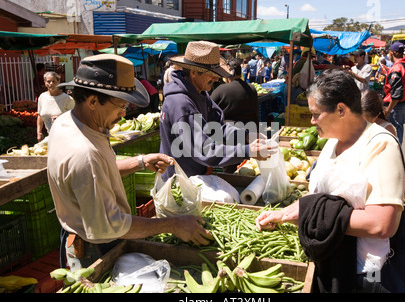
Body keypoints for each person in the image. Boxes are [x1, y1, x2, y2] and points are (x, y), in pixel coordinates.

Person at [47, 54, 213, 270]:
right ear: (93, 101)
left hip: (91, 234)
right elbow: (109, 225)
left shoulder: (69, 122)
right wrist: (172, 224)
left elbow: (96, 174)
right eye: (120, 105)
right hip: (95, 248)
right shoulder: (84, 152)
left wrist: (139, 162)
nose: (124, 113)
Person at [255, 69, 405, 293]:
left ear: (341, 110)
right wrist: (282, 214)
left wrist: (312, 214)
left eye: (316, 114)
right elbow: (315, 198)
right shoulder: (331, 144)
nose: (312, 120)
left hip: (363, 271)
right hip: (329, 261)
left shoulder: (380, 145)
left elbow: (381, 224)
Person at [159, 40, 273, 181]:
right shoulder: (181, 104)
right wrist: (246, 150)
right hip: (179, 182)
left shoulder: (200, 93)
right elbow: (204, 150)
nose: (216, 78)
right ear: (194, 72)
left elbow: (218, 128)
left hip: (195, 176)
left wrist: (246, 135)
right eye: (211, 73)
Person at [211, 58, 259, 173]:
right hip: (249, 132)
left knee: (230, 171)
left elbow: (208, 108)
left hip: (230, 136)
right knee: (248, 169)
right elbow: (256, 111)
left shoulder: (221, 90)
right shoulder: (251, 88)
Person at [383, 42, 405, 145]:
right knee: (398, 129)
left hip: (394, 106)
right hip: (401, 104)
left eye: (389, 52)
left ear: (393, 53)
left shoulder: (396, 68)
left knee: (393, 133)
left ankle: (395, 157)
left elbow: (396, 93)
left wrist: (388, 110)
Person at [36, 71, 74, 141]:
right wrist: (39, 132)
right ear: (45, 82)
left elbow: (76, 117)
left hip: (66, 137)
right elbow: (40, 115)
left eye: (54, 81)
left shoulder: (67, 99)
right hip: (50, 136)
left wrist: (61, 119)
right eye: (48, 81)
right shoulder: (42, 97)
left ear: (58, 82)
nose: (51, 84)